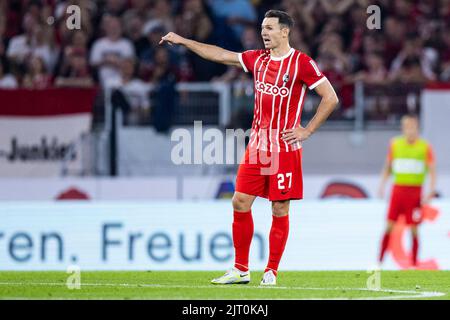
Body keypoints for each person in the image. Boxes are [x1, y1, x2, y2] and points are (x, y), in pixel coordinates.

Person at [159, 9, 338, 285]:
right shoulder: (257, 60)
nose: (264, 32)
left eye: (269, 28)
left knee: (279, 208)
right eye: (262, 28)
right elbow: (219, 54)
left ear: (284, 31)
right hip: (257, 146)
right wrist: (184, 41)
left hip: (284, 149)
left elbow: (330, 97)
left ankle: (271, 272)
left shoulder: (301, 63)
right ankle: (241, 269)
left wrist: (308, 130)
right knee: (239, 201)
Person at [378, 114, 437, 268]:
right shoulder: (395, 144)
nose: (410, 130)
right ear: (403, 128)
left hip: (415, 193)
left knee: (414, 228)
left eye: (413, 127)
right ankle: (379, 262)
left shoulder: (424, 147)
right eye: (407, 127)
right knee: (389, 225)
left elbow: (432, 171)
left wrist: (430, 191)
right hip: (398, 191)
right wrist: (382, 186)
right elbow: (387, 168)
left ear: (417, 128)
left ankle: (414, 264)